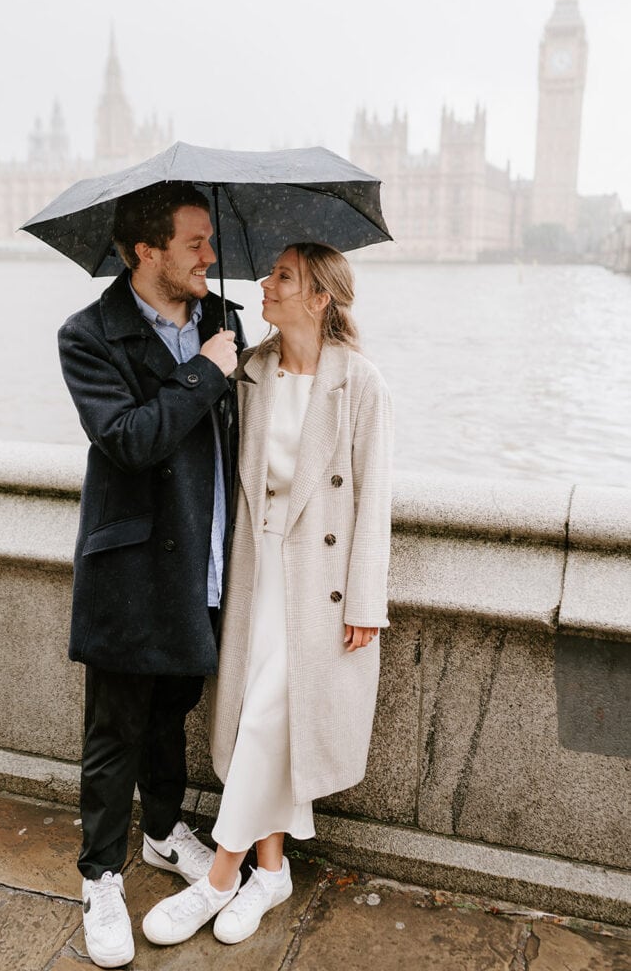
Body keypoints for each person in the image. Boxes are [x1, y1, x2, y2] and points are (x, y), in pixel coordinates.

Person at [142, 241, 393, 947]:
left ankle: (221, 875)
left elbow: (374, 498)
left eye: (282, 276)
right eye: (269, 272)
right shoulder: (247, 372)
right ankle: (273, 868)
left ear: (318, 297)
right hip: (257, 575)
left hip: (323, 588)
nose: (265, 282)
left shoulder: (361, 383)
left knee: (268, 713)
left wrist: (367, 602)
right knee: (267, 713)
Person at [58, 181, 245, 969]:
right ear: (146, 251)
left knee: (175, 704)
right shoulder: (88, 335)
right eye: (195, 243)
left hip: (207, 557)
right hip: (133, 564)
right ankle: (99, 876)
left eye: (210, 242)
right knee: (116, 728)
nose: (211, 256)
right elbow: (129, 440)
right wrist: (204, 374)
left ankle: (165, 831)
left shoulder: (224, 319)